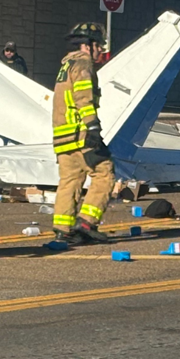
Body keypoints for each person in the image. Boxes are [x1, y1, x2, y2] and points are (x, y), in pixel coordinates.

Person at [52, 23, 113, 245]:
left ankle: (63, 228)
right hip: (81, 134)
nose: (101, 50)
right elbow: (83, 99)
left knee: (70, 180)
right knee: (104, 173)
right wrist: (93, 127)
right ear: (88, 45)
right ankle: (87, 223)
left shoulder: (66, 65)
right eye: (99, 45)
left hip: (62, 136)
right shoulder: (83, 65)